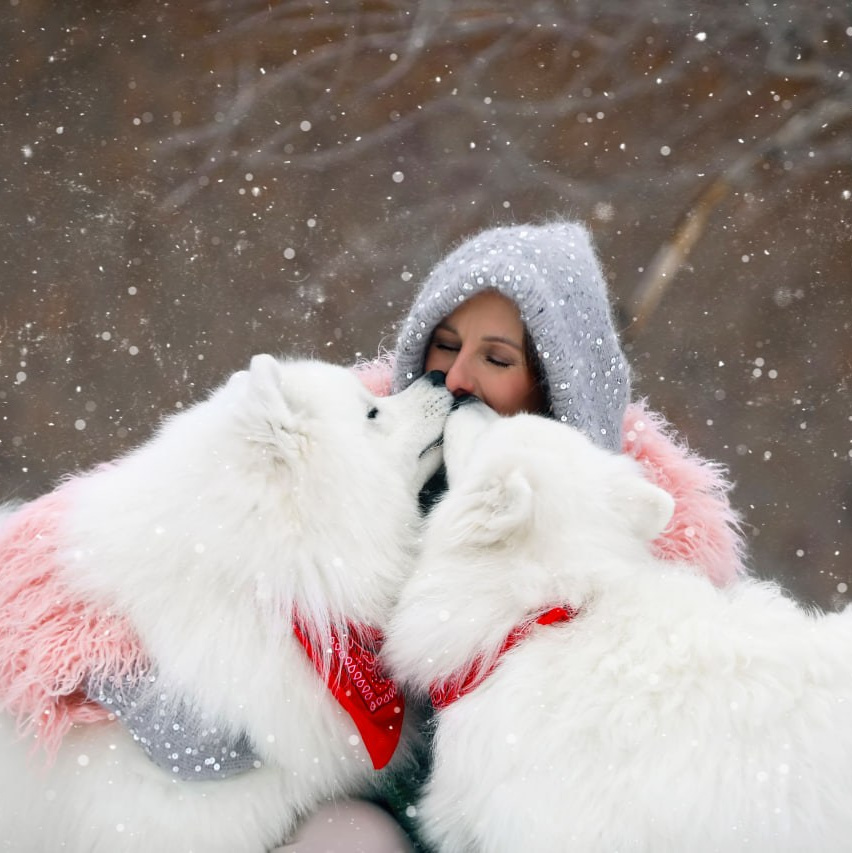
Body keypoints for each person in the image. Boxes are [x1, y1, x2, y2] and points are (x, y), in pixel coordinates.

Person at [89, 221, 747, 851]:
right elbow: (119, 553)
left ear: (553, 384)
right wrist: (194, 709)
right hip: (376, 822)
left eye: (495, 357)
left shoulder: (644, 530)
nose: (455, 378)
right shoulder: (342, 445)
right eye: (445, 343)